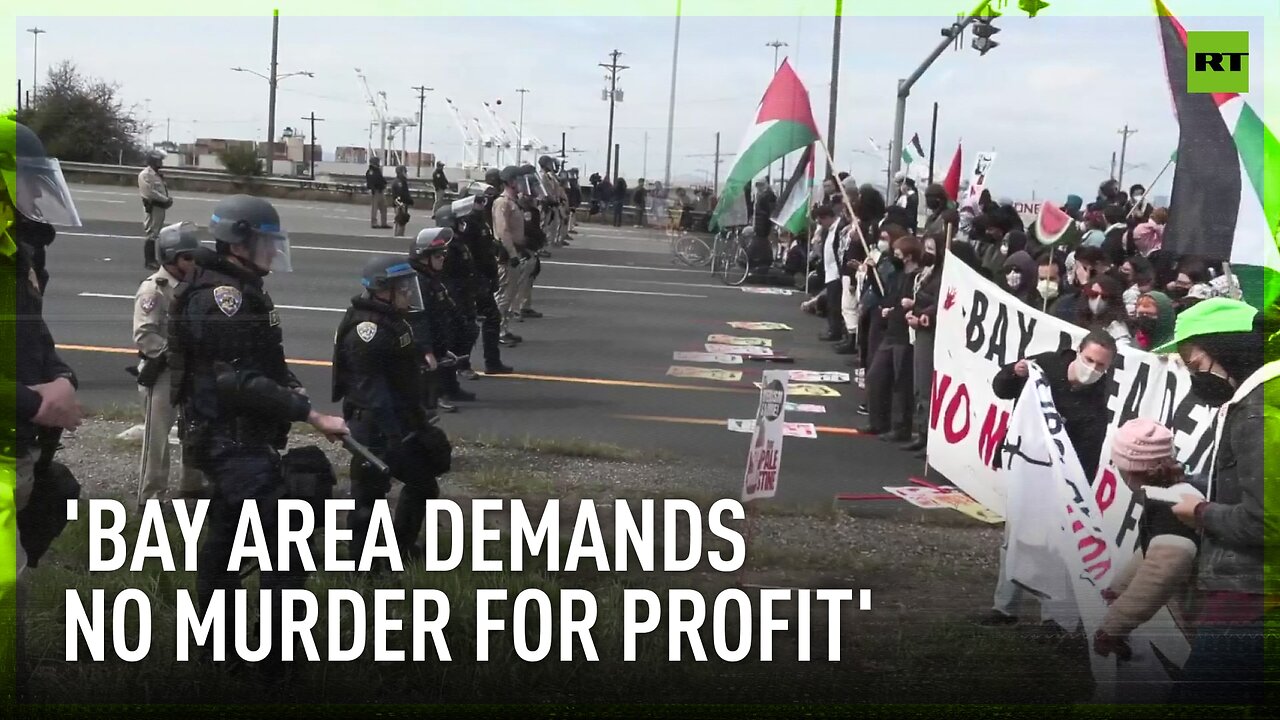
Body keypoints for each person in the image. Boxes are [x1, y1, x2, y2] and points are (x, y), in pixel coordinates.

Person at [167, 194, 349, 678]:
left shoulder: (241, 288)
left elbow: (259, 360)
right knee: (285, 546)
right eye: (267, 241)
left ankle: (217, 644)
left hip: (236, 439)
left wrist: (287, 382)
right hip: (232, 441)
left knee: (226, 540)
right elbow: (232, 380)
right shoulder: (223, 298)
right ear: (240, 241)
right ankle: (273, 657)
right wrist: (309, 413)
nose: (274, 251)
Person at [1157, 299, 1271, 705]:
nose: (1194, 378)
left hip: (1252, 603)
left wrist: (1201, 512)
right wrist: (1192, 483)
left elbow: (1267, 521)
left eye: (1195, 365)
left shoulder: (1257, 413)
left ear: (1225, 351)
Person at [979, 330, 1119, 627]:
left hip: (1056, 482)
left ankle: (1053, 618)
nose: (1092, 369)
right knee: (1014, 535)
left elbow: (1087, 461)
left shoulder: (1095, 407)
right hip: (1023, 466)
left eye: (1101, 366)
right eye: (1089, 359)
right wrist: (1013, 372)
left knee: (1053, 546)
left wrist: (1074, 495)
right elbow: (1001, 389)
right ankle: (1004, 608)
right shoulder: (1046, 365)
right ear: (1078, 352)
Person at [7, 116, 85, 599]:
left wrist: (59, 376)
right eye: (27, 186)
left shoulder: (18, 254)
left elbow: (33, 334)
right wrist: (30, 401)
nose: (36, 201)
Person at [333, 254, 450, 563]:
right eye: (403, 287)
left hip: (398, 424)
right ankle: (362, 567)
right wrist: (397, 435)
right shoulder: (367, 331)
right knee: (368, 498)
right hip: (375, 427)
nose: (409, 293)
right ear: (382, 289)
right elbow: (372, 391)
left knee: (423, 484)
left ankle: (399, 548)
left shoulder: (392, 321)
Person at [1092, 419, 1203, 688]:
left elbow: (1162, 572)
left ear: (1128, 470)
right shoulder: (1175, 494)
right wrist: (1120, 587)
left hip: (1193, 619)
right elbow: (1153, 550)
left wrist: (1114, 625)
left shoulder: (1171, 507)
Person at [132, 221, 207, 508]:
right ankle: (149, 497)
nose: (192, 263)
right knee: (158, 438)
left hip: (189, 369)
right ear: (171, 258)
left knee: (195, 428)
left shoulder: (193, 287)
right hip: (162, 370)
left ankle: (191, 486)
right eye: (187, 257)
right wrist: (173, 354)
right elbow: (144, 334)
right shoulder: (154, 290)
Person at [407, 228, 468, 411]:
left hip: (438, 337)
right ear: (425, 257)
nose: (443, 258)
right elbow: (419, 318)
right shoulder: (418, 282)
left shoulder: (431, 278)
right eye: (439, 255)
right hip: (426, 342)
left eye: (444, 254)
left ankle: (438, 395)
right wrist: (427, 350)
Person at [905, 235, 943, 454]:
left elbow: (941, 303)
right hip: (918, 330)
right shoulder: (928, 273)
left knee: (927, 385)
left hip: (930, 333)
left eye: (932, 248)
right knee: (919, 385)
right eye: (925, 247)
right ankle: (920, 431)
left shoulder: (944, 276)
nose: (927, 252)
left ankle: (928, 437)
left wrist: (924, 315)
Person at [491, 165, 532, 345]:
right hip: (507, 254)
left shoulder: (514, 202)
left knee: (510, 294)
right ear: (510, 182)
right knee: (504, 295)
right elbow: (503, 231)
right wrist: (512, 254)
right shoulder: (503, 203)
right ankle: (496, 331)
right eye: (518, 180)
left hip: (515, 251)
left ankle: (503, 328)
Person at [137, 149, 172, 270]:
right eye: (158, 160)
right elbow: (150, 192)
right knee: (151, 233)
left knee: (156, 233)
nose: (161, 163)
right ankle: (150, 261)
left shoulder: (156, 174)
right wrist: (165, 200)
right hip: (153, 206)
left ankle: (154, 259)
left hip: (159, 207)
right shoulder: (145, 174)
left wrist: (166, 200)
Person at [1078, 274, 1133, 346]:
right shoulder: (1081, 318)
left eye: (1104, 297)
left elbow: (1123, 350)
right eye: (1093, 294)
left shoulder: (1118, 329)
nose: (1098, 301)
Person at [366, 156, 389, 229]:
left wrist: (384, 183)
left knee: (384, 207)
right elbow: (371, 182)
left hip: (380, 190)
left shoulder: (377, 170)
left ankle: (384, 223)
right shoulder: (371, 171)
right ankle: (374, 223)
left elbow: (381, 179)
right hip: (375, 191)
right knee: (375, 208)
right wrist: (372, 189)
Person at [390, 165, 414, 238]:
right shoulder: (399, 182)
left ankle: (398, 236)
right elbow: (401, 194)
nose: (405, 173)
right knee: (401, 221)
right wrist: (408, 201)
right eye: (404, 171)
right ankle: (398, 237)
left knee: (400, 220)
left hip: (400, 203)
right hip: (400, 204)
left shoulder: (401, 181)